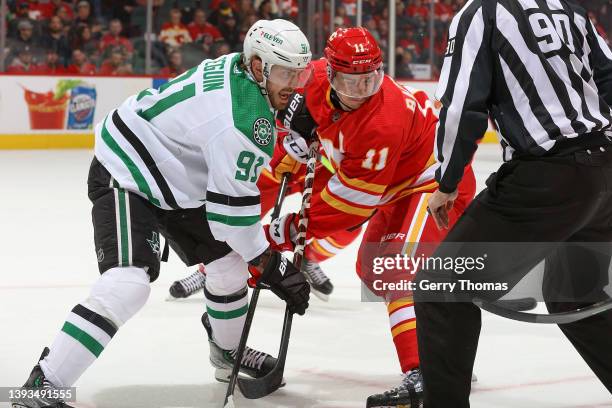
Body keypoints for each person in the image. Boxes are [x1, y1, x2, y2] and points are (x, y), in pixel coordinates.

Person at [10, 19, 312, 408]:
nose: (295, 83)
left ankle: (227, 351)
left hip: (175, 177)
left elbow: (268, 100)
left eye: (298, 73)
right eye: (287, 74)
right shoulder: (241, 123)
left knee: (228, 265)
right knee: (127, 284)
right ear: (258, 67)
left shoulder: (244, 68)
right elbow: (230, 218)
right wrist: (272, 265)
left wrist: (291, 114)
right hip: (128, 173)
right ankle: (42, 388)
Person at [413, 0, 612, 407]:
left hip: (546, 179)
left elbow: (460, 107)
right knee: (575, 292)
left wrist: (447, 182)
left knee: (440, 286)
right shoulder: (567, 7)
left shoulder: (479, 13)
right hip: (604, 173)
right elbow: (608, 74)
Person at [264, 27, 476, 407]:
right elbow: (293, 113)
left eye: (370, 80)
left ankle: (427, 372)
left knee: (399, 269)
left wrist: (294, 230)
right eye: (351, 81)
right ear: (329, 73)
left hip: (435, 184)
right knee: (373, 270)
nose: (362, 91)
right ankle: (445, 354)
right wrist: (291, 139)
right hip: (396, 187)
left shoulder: (382, 121)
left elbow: (351, 206)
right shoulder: (310, 76)